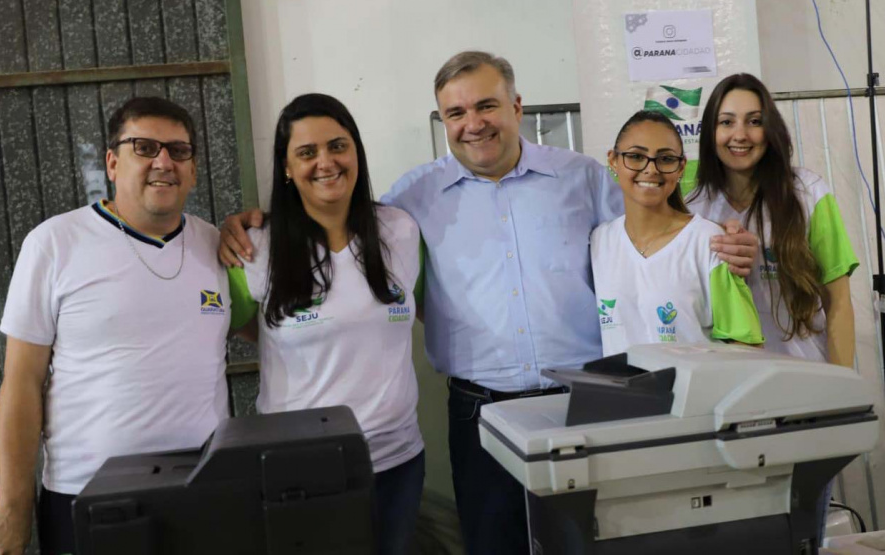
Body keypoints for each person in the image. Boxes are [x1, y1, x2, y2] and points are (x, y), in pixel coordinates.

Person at [217, 52, 758, 555]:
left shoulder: (583, 178)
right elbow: (394, 296)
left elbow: (656, 215)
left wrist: (718, 238)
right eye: (456, 112)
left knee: (591, 542)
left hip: (585, 401)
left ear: (517, 107)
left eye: (486, 105)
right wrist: (250, 223)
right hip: (479, 412)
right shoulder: (410, 204)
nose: (473, 122)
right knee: (493, 543)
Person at [0, 97, 231, 555]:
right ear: (113, 163)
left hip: (202, 490)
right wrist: (13, 506)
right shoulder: (55, 243)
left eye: (179, 151)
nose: (163, 161)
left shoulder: (216, 246)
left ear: (193, 169)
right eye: (145, 147)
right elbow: (22, 382)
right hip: (89, 496)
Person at [226, 93, 424, 555]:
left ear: (356, 152)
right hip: (300, 468)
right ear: (287, 168)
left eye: (338, 146)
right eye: (307, 152)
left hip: (398, 460)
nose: (326, 162)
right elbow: (238, 324)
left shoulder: (401, 231)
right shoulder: (256, 246)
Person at [686, 72, 859, 544]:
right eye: (726, 122)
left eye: (753, 121)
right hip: (728, 395)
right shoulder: (692, 201)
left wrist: (840, 394)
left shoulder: (808, 192)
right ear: (709, 131)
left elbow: (839, 300)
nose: (739, 134)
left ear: (771, 129)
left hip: (804, 390)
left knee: (804, 529)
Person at [591, 110, 763, 354]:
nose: (651, 169)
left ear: (681, 167)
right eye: (636, 156)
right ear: (613, 161)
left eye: (665, 159)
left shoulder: (709, 242)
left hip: (695, 393)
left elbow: (748, 347)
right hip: (623, 392)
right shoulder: (599, 242)